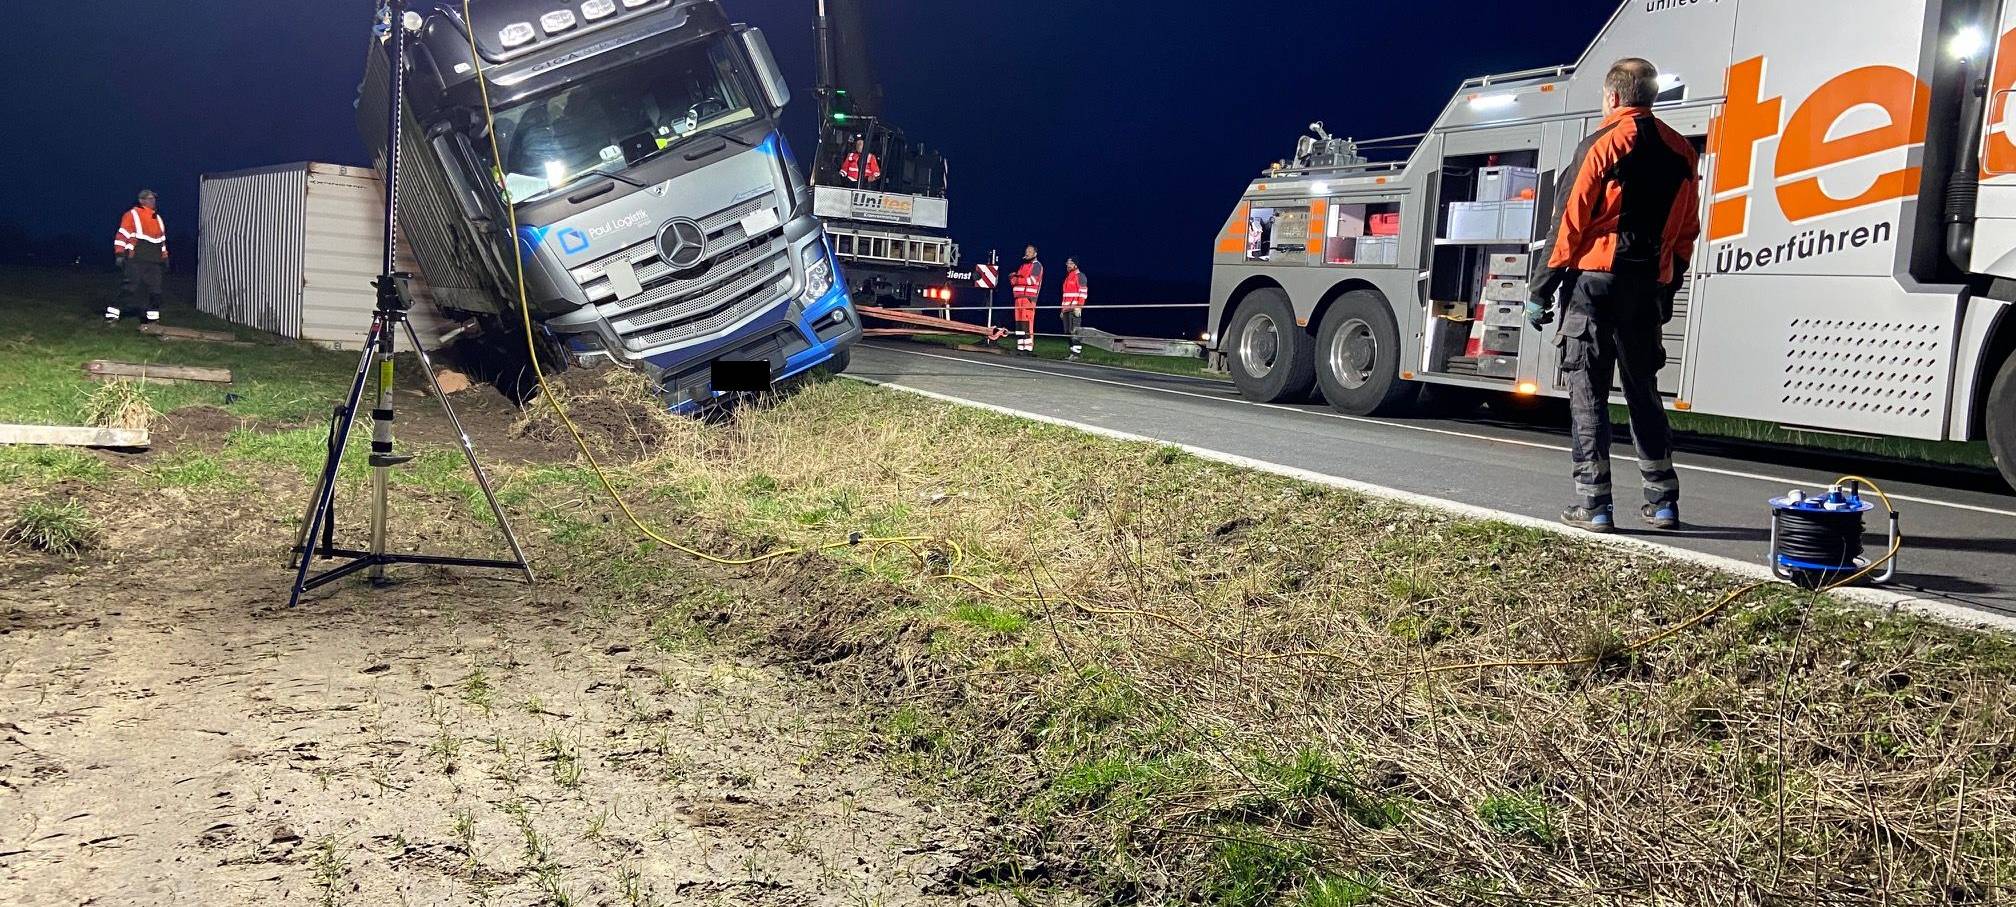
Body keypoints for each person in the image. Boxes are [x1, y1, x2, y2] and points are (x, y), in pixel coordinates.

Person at [1526, 58, 1701, 534]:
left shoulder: (1600, 145)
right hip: (1646, 290)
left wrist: (1540, 291)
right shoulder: (1682, 152)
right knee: (1643, 390)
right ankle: (1663, 500)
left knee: (1588, 391)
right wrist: (1667, 286)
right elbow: (1687, 234)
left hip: (1593, 288)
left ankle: (1594, 505)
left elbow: (1567, 226)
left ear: (1613, 98)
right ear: (1651, 97)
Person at [111, 190, 170, 326]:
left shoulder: (158, 218)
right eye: (149, 199)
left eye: (154, 198)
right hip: (136, 258)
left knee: (156, 290)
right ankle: (112, 315)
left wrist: (165, 257)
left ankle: (152, 320)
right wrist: (119, 254)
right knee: (130, 288)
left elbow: (161, 240)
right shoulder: (132, 214)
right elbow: (122, 235)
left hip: (154, 260)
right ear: (141, 200)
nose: (153, 201)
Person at [1010, 245, 1043, 356]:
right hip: (1019, 298)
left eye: (1030, 251)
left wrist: (1017, 279)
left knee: (1027, 323)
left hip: (1028, 299)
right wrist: (1015, 279)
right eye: (1026, 251)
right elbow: (1014, 280)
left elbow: (1032, 280)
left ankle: (1028, 349)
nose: (1027, 253)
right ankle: (1020, 347)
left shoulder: (1037, 265)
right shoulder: (1023, 265)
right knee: (1019, 323)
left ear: (1035, 254)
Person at [1061, 257, 1089, 360]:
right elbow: (1065, 295)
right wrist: (1062, 310)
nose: (1068, 265)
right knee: (1067, 332)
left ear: (1075, 265)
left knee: (1075, 331)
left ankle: (1076, 354)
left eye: (1071, 263)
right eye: (1067, 263)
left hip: (1074, 309)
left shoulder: (1080, 276)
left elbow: (1083, 293)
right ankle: (1072, 352)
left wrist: (1079, 307)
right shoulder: (1068, 277)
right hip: (1066, 310)